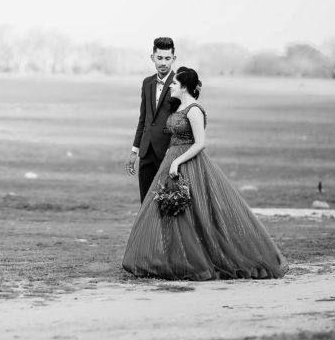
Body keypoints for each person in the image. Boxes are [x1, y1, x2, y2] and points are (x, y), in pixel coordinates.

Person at [122, 67, 287, 280]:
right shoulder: (179, 106)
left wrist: (178, 162)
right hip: (171, 161)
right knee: (167, 211)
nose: (171, 85)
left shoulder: (194, 110)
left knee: (193, 212)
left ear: (183, 87)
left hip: (189, 163)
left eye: (174, 84)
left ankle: (199, 259)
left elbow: (200, 143)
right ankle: (168, 258)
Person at [126, 37, 177, 203]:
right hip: (146, 152)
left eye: (167, 58)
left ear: (173, 59)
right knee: (146, 203)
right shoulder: (147, 83)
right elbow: (143, 119)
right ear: (152, 58)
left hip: (168, 152)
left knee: (167, 203)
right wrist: (134, 151)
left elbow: (183, 120)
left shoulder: (179, 83)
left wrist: (174, 149)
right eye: (159, 58)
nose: (163, 62)